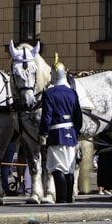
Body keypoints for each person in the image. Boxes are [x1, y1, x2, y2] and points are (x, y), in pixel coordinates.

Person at [40, 72, 83, 203]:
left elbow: (47, 115)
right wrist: (76, 130)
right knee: (69, 169)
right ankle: (69, 197)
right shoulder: (72, 92)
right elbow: (78, 115)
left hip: (56, 133)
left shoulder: (49, 93)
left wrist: (43, 132)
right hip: (70, 133)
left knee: (57, 167)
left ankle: (61, 198)